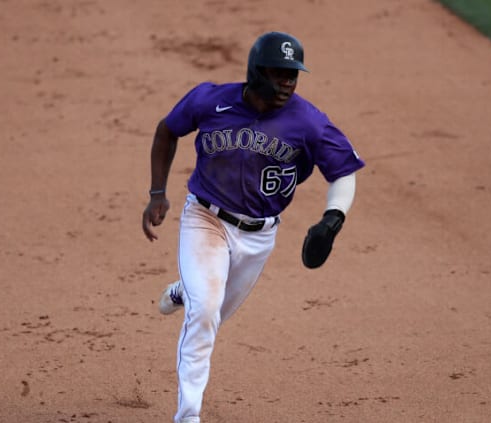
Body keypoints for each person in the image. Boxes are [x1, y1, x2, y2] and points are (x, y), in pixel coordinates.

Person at [141, 31, 365, 423]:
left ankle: (184, 291)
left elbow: (344, 171)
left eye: (292, 75)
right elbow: (166, 130)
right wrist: (158, 192)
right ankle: (188, 416)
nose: (287, 83)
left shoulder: (308, 122)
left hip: (259, 237)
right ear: (255, 71)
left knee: (211, 316)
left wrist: (333, 218)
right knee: (205, 316)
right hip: (206, 219)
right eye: (278, 74)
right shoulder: (211, 100)